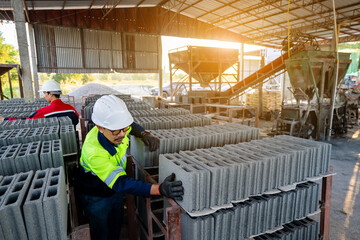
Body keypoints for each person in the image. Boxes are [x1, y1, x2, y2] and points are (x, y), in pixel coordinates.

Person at [76, 95, 184, 240]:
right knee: (101, 231)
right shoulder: (94, 152)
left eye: (124, 129)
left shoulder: (118, 129)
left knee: (117, 224)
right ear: (100, 127)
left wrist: (144, 134)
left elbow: (131, 125)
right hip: (96, 194)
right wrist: (159, 189)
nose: (122, 134)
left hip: (114, 191)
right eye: (116, 131)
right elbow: (121, 182)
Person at [0, 80, 79, 127]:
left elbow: (26, 121)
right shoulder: (71, 108)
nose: (44, 96)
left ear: (51, 94)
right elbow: (76, 121)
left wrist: (5, 119)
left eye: (45, 93)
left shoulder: (43, 111)